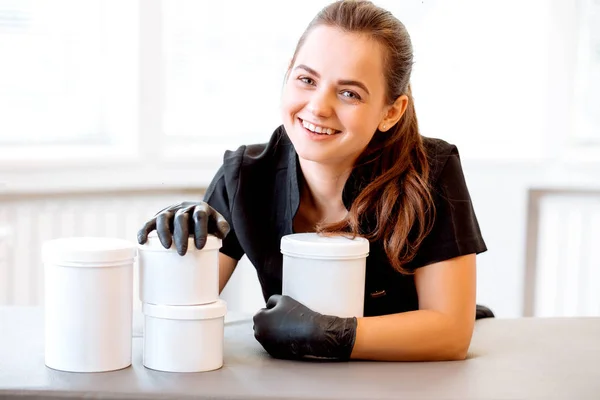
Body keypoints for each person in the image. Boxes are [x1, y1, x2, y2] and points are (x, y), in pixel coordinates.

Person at [138, 0, 491, 362]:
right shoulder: (244, 175)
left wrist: (331, 334)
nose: (318, 107)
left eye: (349, 93)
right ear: (288, 73)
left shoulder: (432, 170)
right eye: (307, 80)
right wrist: (175, 254)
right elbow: (178, 310)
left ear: (391, 112)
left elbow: (450, 333)